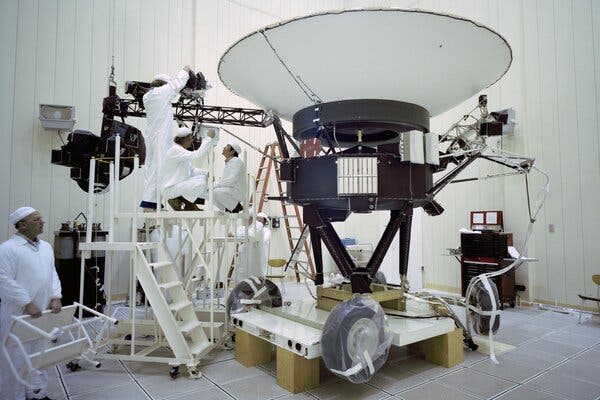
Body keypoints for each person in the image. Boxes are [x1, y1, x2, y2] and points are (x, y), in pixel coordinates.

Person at [0, 207, 62, 400]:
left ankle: (37, 393)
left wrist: (55, 296)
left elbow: (52, 273)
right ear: (22, 225)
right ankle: (13, 396)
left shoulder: (46, 247)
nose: (42, 222)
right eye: (37, 220)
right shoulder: (8, 249)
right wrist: (26, 303)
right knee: (15, 357)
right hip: (18, 312)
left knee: (40, 354)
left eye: (41, 219)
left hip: (42, 311)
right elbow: (4, 279)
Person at [140, 66, 191, 210]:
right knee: (159, 167)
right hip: (160, 140)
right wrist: (185, 71)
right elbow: (177, 84)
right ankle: (150, 204)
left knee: (152, 169)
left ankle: (153, 202)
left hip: (153, 138)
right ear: (163, 84)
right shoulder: (161, 93)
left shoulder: (149, 96)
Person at [161, 126, 217, 211]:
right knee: (201, 182)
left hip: (176, 187)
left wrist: (207, 174)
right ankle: (180, 200)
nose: (192, 141)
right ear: (185, 139)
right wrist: (208, 138)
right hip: (170, 188)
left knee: (203, 178)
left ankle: (187, 203)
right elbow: (197, 155)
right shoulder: (176, 150)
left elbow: (191, 170)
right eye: (190, 138)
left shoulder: (181, 151)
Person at [230, 210, 266, 282]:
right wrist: (233, 233)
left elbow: (250, 234)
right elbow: (237, 232)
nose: (243, 221)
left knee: (254, 276)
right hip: (244, 255)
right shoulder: (246, 226)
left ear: (251, 218)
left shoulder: (258, 225)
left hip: (254, 256)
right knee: (243, 275)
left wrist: (234, 234)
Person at [214, 143, 245, 213]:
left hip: (236, 191)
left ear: (232, 151)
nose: (223, 147)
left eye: (226, 147)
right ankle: (229, 207)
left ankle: (236, 207)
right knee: (210, 193)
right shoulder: (229, 163)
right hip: (230, 190)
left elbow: (231, 180)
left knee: (216, 192)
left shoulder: (237, 161)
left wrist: (216, 185)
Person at [256, 212, 271, 276]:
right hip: (253, 252)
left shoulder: (267, 231)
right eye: (258, 219)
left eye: (261, 219)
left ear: (265, 221)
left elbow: (263, 240)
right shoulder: (253, 229)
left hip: (262, 253)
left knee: (262, 270)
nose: (259, 220)